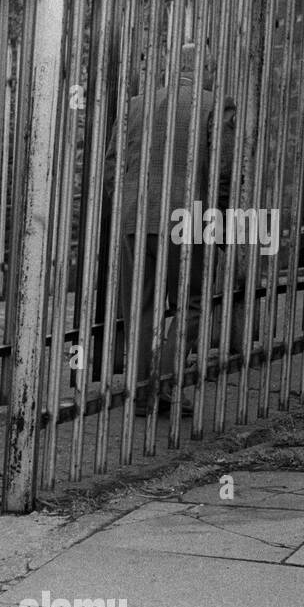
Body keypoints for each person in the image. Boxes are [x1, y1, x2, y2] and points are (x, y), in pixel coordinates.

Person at [104, 43, 236, 416]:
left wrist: (129, 207)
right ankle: (161, 383)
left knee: (140, 307)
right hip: (185, 219)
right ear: (207, 67)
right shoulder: (215, 103)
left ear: (170, 67)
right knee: (193, 301)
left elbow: (112, 166)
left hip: (135, 217)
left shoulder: (136, 103)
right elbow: (222, 172)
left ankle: (142, 390)